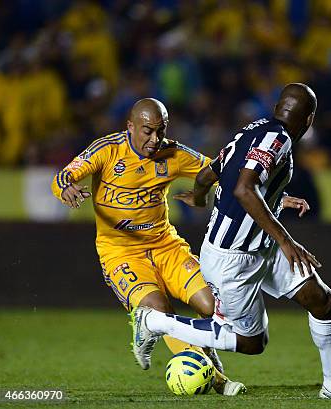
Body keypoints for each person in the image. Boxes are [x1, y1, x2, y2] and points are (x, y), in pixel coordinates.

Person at [131, 83, 331, 400]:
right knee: (251, 342)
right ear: (309, 120)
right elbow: (243, 190)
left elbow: (211, 173)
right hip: (232, 257)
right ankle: (154, 321)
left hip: (261, 245)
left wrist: (201, 197)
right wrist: (287, 240)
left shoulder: (253, 130)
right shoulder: (278, 140)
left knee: (322, 300)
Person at [50, 98, 245, 396]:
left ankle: (199, 350)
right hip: (121, 254)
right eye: (147, 131)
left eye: (160, 131)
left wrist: (274, 199)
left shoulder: (174, 153)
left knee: (213, 307)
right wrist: (66, 187)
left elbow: (222, 172)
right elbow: (64, 175)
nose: (155, 140)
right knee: (159, 309)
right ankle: (217, 379)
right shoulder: (107, 149)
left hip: (167, 247)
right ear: (130, 127)